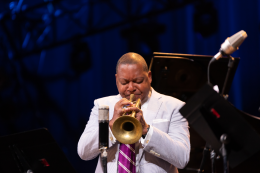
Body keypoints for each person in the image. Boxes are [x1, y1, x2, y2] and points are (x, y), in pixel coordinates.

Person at [78, 52, 190, 173]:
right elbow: (83, 152)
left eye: (138, 81)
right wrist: (110, 127)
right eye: (124, 82)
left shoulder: (175, 107)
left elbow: (182, 158)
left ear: (149, 77)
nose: (131, 88)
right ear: (117, 80)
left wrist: (147, 130)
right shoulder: (103, 106)